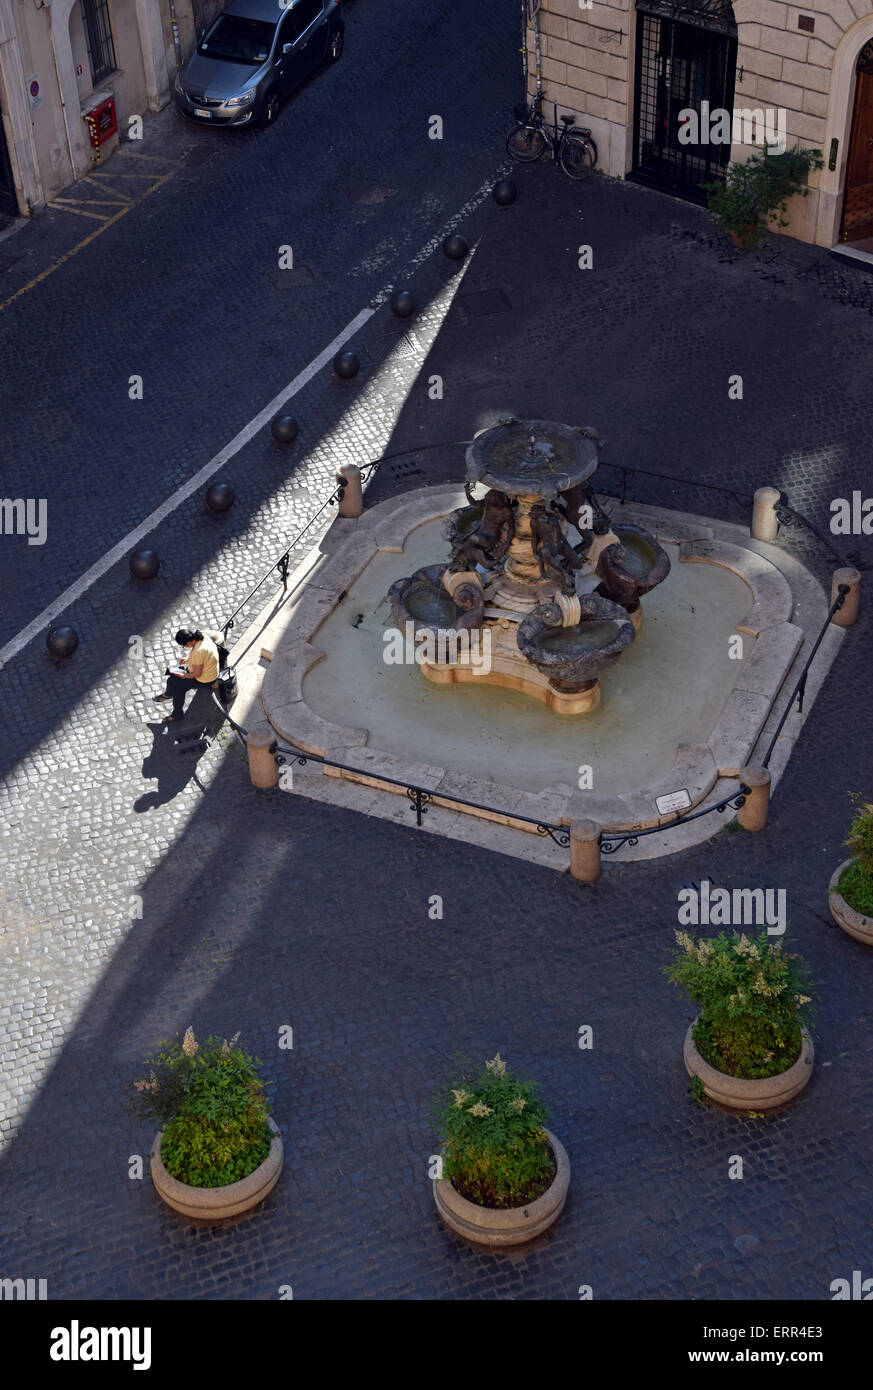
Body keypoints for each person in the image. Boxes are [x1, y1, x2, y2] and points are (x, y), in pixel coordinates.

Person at [153, 628, 220, 724]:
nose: (185, 647)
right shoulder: (201, 636)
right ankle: (170, 701)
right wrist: (188, 658)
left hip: (203, 679)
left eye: (183, 646)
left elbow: (197, 674)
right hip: (209, 672)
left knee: (174, 683)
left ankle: (172, 704)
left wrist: (183, 676)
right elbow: (202, 655)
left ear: (187, 642)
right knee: (175, 682)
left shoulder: (198, 652)